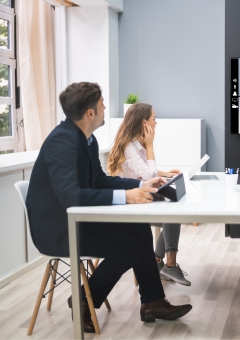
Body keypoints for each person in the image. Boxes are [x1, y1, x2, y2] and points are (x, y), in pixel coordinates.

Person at [26, 82, 192, 333]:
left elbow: (99, 180)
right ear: (90, 113)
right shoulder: (62, 141)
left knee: (139, 230)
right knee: (129, 249)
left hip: (79, 218)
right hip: (58, 229)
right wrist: (126, 196)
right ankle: (83, 298)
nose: (106, 108)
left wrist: (140, 184)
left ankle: (152, 301)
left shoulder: (87, 140)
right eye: (102, 104)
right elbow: (70, 196)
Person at [108, 103, 191, 286]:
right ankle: (168, 265)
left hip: (142, 195)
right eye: (154, 118)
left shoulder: (136, 144)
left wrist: (166, 173)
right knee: (172, 211)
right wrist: (150, 145)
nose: (156, 123)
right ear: (144, 122)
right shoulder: (129, 146)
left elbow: (146, 171)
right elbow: (149, 175)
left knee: (173, 210)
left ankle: (159, 262)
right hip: (130, 202)